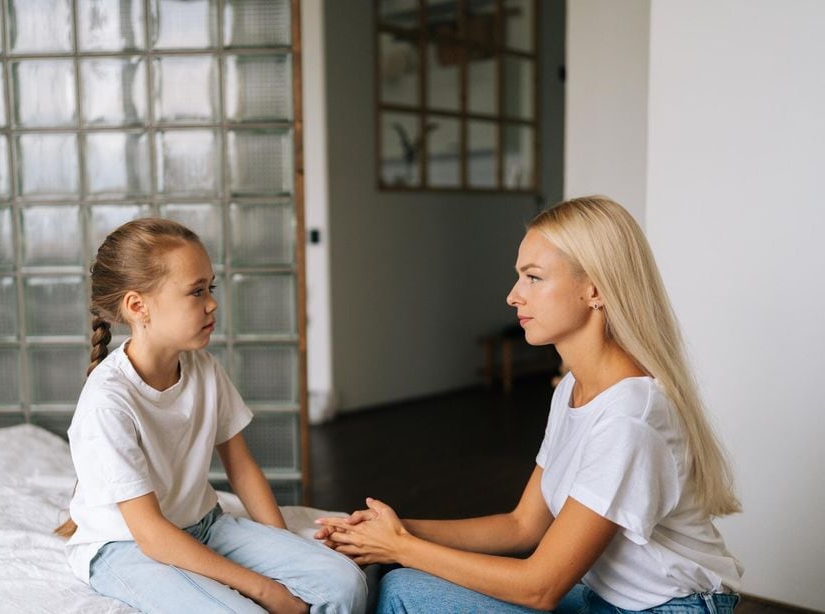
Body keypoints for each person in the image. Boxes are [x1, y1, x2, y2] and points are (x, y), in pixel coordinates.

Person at [314, 196, 743, 614]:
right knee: (405, 585)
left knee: (407, 592)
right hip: (606, 598)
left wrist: (400, 547)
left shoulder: (629, 418)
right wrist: (393, 530)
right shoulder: (573, 387)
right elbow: (523, 525)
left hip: (673, 608)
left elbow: (541, 587)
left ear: (595, 289)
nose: (513, 296)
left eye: (533, 278)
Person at [55, 218, 366, 614]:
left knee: (344, 582)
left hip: (203, 525)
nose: (213, 302)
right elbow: (151, 535)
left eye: (211, 288)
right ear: (138, 306)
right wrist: (265, 590)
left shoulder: (203, 369)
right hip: (127, 546)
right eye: (196, 291)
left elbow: (241, 466)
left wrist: (282, 546)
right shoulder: (107, 401)